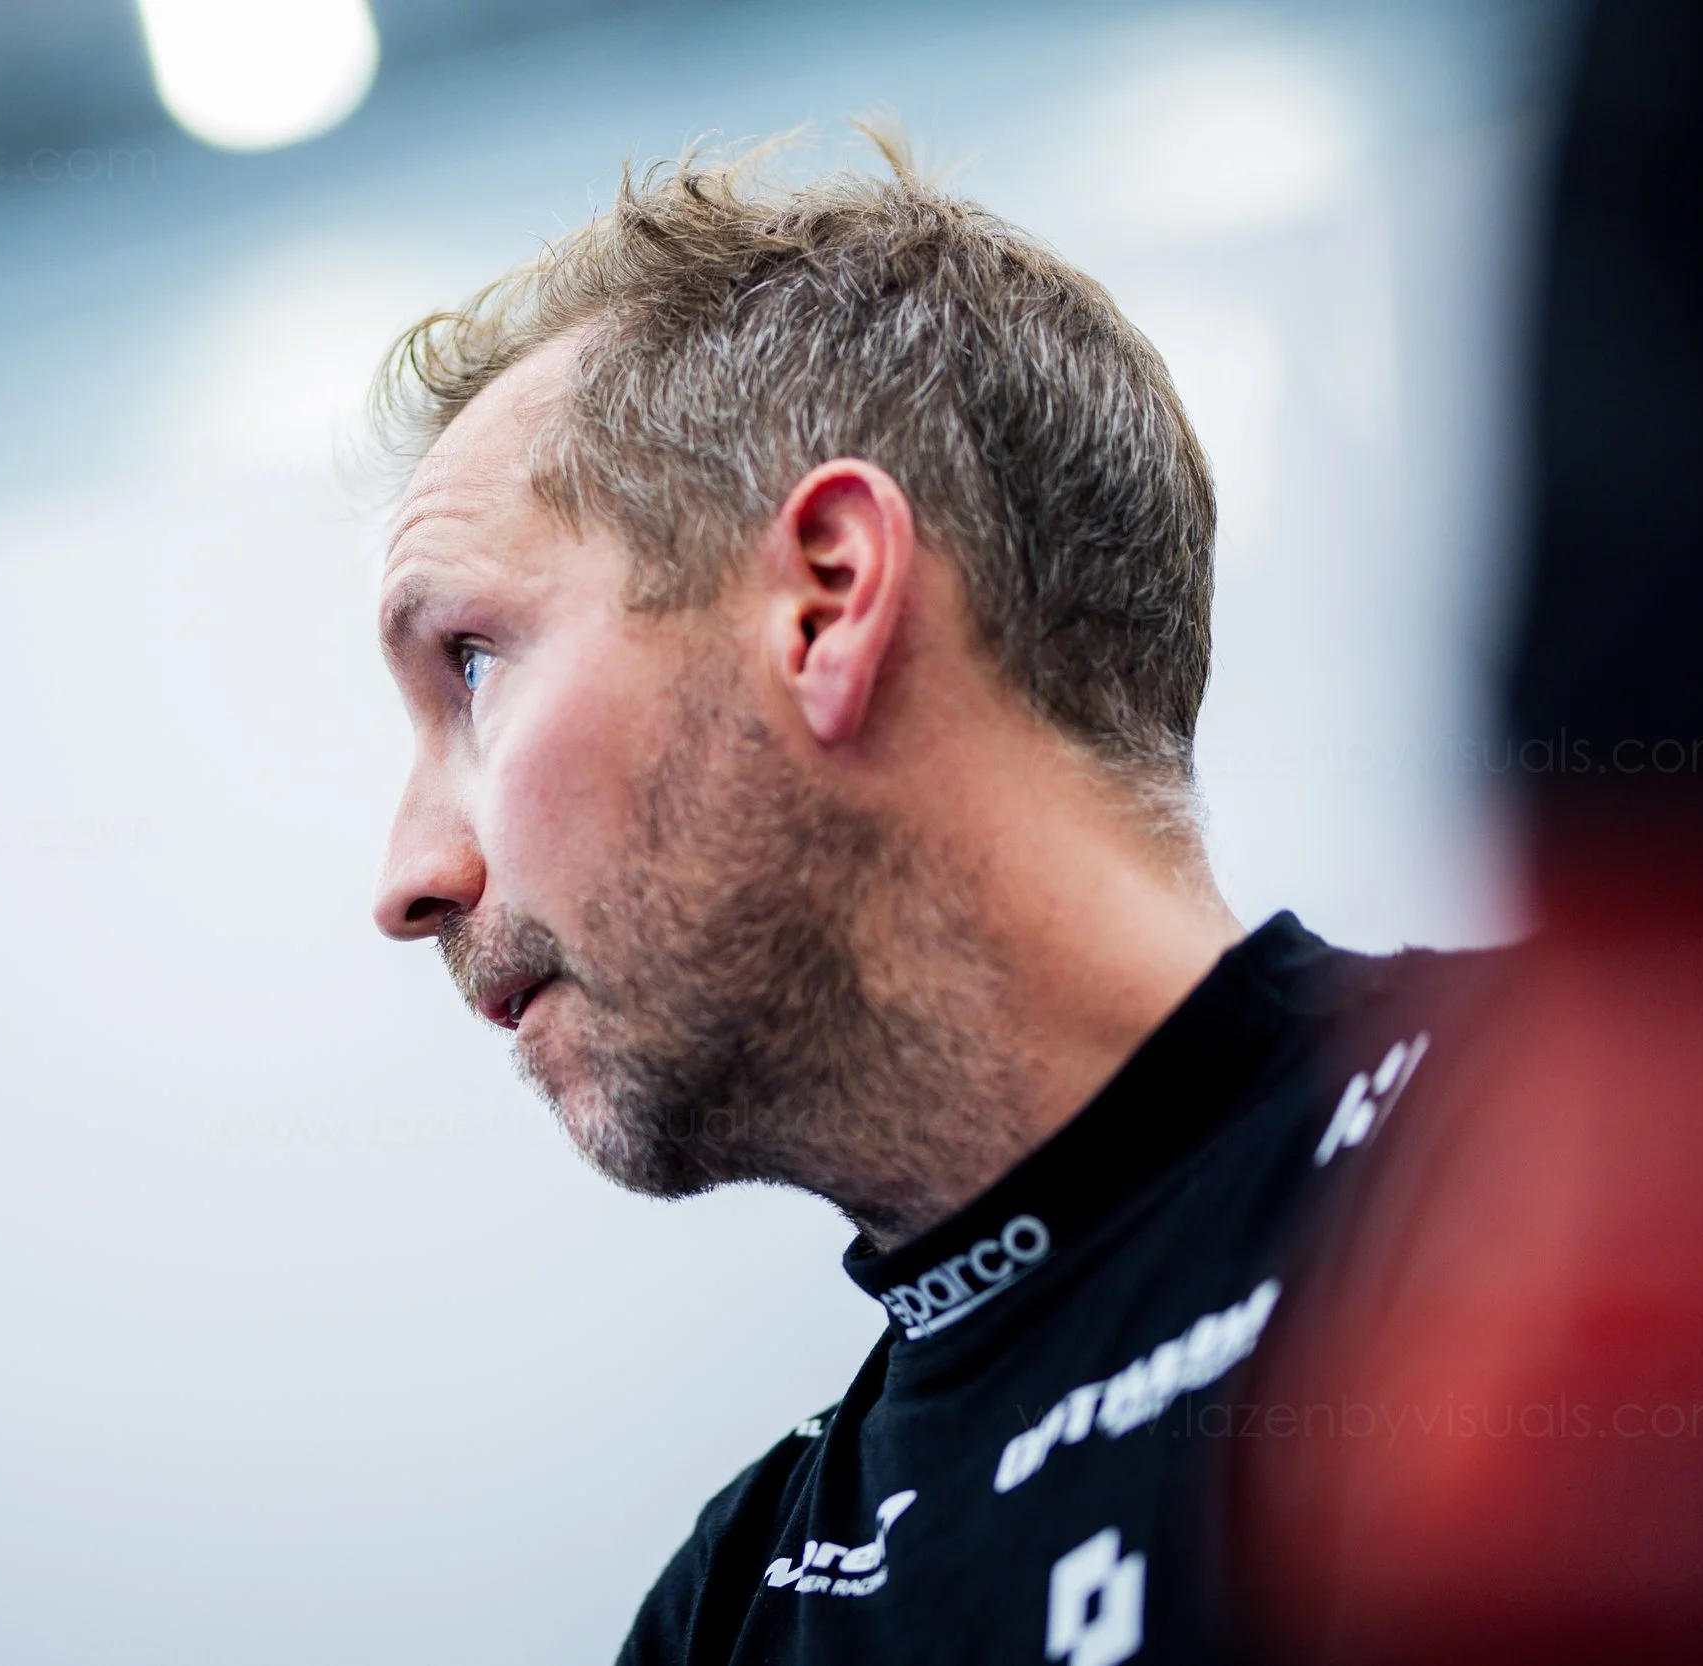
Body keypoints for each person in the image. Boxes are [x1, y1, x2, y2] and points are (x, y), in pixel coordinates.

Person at [367, 137, 1480, 1665]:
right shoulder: (733, 1611)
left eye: (473, 665)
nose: (408, 878)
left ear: (827, 600)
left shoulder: (1585, 1155)